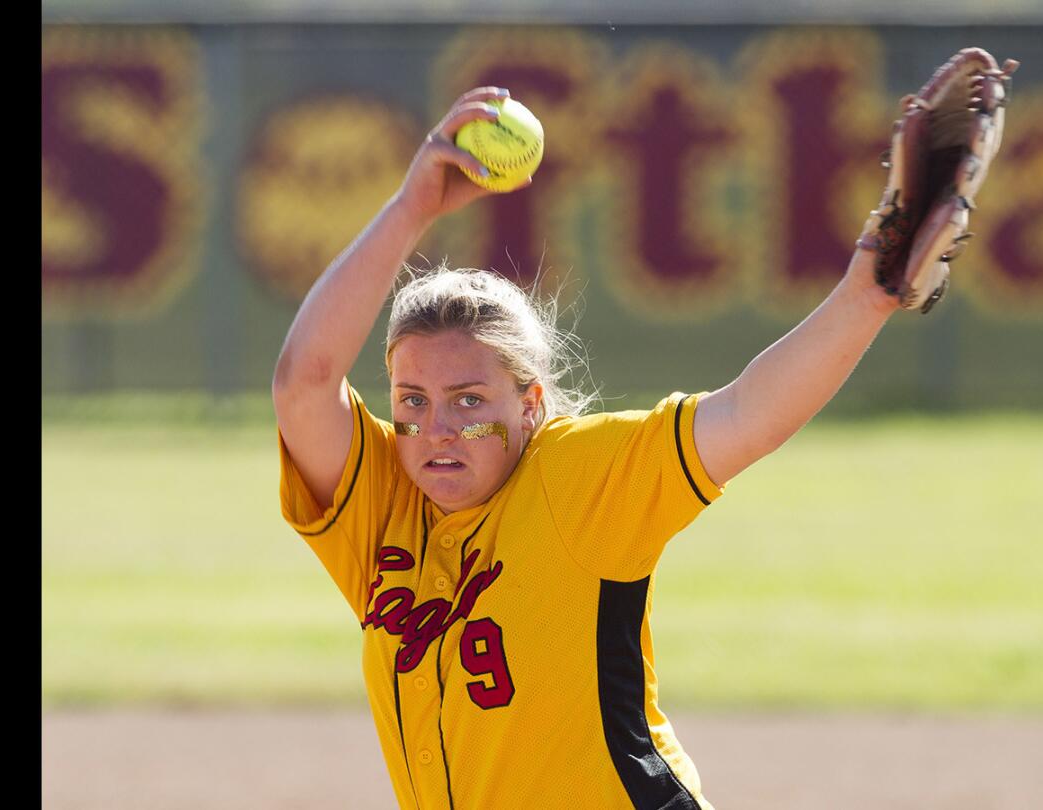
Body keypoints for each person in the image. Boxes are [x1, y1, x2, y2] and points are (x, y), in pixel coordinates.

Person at [273, 86, 901, 810]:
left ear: (531, 403)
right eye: (413, 400)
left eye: (469, 400)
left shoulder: (579, 477)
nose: (437, 429)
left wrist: (868, 295)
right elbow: (303, 384)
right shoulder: (382, 506)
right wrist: (412, 207)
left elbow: (748, 416)